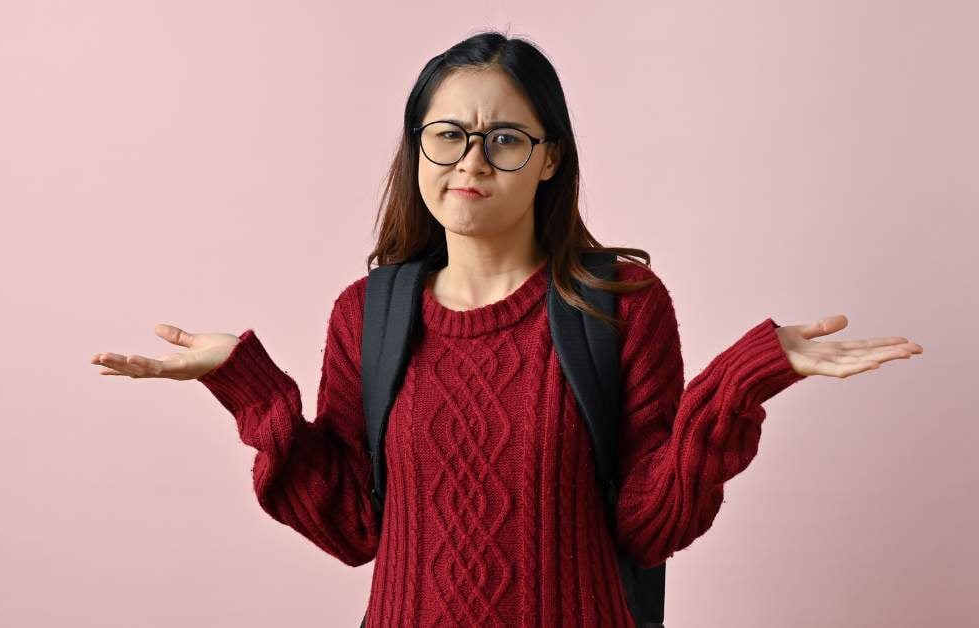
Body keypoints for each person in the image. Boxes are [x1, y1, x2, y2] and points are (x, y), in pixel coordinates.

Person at [89, 30, 923, 627]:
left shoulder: (621, 302)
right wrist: (246, 384)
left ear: (550, 157)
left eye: (505, 139)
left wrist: (742, 382)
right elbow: (353, 528)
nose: (472, 162)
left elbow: (650, 523)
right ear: (417, 151)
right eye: (447, 135)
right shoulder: (367, 315)